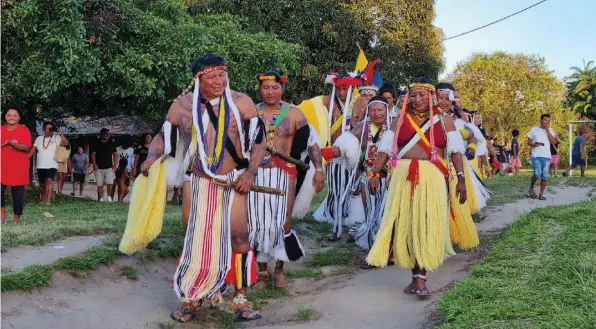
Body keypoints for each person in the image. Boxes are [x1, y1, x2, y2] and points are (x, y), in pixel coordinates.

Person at [141, 53, 266, 323]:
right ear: (198, 78)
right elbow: (164, 136)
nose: (219, 81)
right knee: (194, 237)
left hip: (234, 180)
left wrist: (251, 172)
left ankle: (240, 298)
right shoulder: (182, 106)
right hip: (197, 180)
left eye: (222, 75)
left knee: (239, 237)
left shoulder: (241, 101)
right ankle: (194, 297)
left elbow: (258, 140)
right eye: (212, 77)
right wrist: (152, 157)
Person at [366, 77, 467, 297]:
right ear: (408, 97)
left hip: (431, 177)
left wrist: (460, 179)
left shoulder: (444, 120)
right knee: (408, 226)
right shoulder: (399, 119)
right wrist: (374, 173)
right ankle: (415, 277)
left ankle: (421, 279)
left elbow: (456, 152)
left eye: (422, 95)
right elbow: (384, 150)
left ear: (431, 96)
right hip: (402, 176)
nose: (418, 99)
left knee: (426, 223)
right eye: (414, 95)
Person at [249, 71, 324, 290]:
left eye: (275, 87)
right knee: (256, 222)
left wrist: (318, 169)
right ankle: (262, 272)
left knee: (283, 222)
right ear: (260, 89)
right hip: (255, 173)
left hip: (284, 173)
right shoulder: (251, 112)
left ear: (282, 88)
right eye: (266, 88)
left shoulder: (295, 114)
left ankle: (279, 269)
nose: (270, 92)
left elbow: (312, 142)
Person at [314, 71, 364, 241]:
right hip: (334, 154)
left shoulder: (359, 103)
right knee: (335, 189)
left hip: (353, 155)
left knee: (353, 189)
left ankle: (354, 224)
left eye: (345, 88)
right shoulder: (328, 103)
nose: (342, 92)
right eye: (339, 88)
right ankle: (337, 225)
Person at [1, 105, 32, 224]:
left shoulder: (24, 130)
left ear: (19, 118)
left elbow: (27, 147)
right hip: (2, 167)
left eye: (14, 115)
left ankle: (16, 219)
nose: (11, 117)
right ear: (5, 117)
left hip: (19, 167)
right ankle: (2, 214)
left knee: (17, 194)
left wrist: (11, 144)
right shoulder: (1, 129)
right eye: (9, 115)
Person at [29, 122, 69, 205]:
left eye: (50, 128)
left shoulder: (56, 137)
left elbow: (66, 144)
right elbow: (33, 149)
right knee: (42, 183)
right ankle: (43, 197)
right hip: (41, 164)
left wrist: (61, 134)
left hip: (52, 164)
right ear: (44, 129)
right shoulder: (39, 138)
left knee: (49, 181)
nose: (48, 130)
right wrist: (26, 159)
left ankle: (48, 200)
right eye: (47, 128)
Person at [527, 114, 558, 200]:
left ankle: (541, 194)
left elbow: (553, 142)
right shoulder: (534, 129)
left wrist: (547, 129)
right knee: (537, 173)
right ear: (541, 120)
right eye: (545, 120)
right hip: (536, 155)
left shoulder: (551, 130)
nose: (547, 122)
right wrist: (533, 144)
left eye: (548, 121)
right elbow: (529, 142)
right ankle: (532, 187)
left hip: (546, 156)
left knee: (544, 176)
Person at [91, 128, 118, 202]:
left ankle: (109, 197)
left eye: (108, 134)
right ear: (101, 134)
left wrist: (115, 164)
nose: (107, 135)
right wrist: (94, 164)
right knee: (99, 183)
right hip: (98, 167)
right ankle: (101, 198)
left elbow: (115, 154)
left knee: (110, 182)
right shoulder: (96, 142)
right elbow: (93, 154)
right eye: (106, 134)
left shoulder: (111, 143)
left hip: (109, 167)